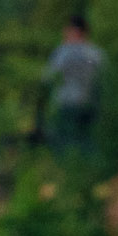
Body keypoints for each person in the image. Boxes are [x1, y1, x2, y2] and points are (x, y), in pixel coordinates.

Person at [41, 14, 105, 154]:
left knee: (64, 145)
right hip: (91, 104)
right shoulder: (96, 54)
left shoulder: (63, 52)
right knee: (88, 143)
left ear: (74, 31)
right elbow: (104, 78)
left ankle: (69, 172)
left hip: (67, 105)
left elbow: (47, 78)